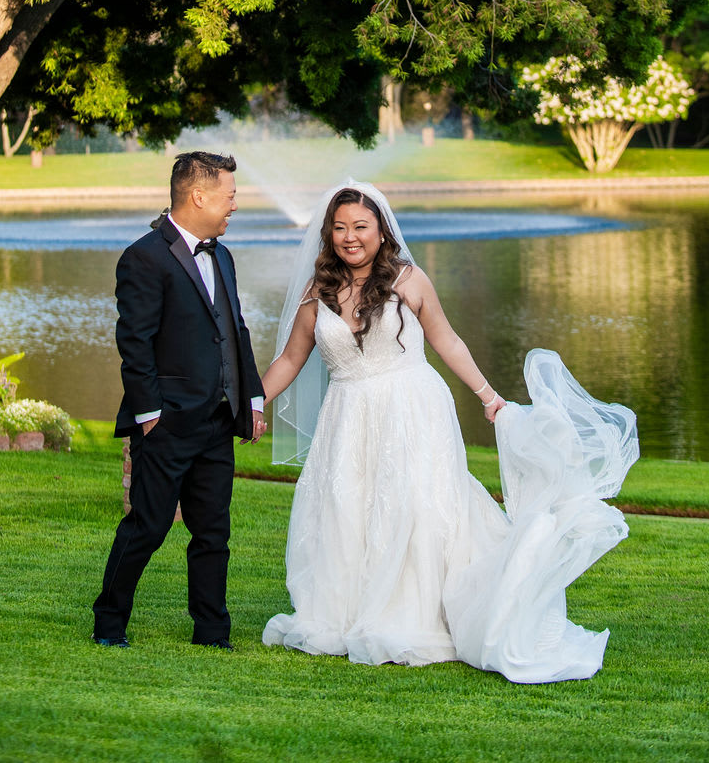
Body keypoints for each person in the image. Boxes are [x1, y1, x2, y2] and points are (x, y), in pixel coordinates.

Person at [258, 181, 639, 683]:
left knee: (419, 506)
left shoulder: (411, 280)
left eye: (361, 227)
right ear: (328, 233)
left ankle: (420, 615)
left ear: (381, 230)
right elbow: (290, 359)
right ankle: (347, 613)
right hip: (347, 416)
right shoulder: (317, 294)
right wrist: (252, 403)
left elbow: (447, 340)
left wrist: (489, 397)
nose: (350, 237)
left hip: (413, 408)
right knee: (350, 509)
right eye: (341, 227)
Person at [92, 151, 266, 649]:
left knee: (213, 534)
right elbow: (135, 343)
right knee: (147, 527)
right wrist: (150, 416)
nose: (235, 205)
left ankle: (212, 632)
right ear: (198, 196)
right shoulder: (143, 257)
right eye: (230, 196)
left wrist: (250, 397)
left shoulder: (223, 256)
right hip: (166, 424)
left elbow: (235, 331)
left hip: (217, 422)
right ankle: (109, 622)